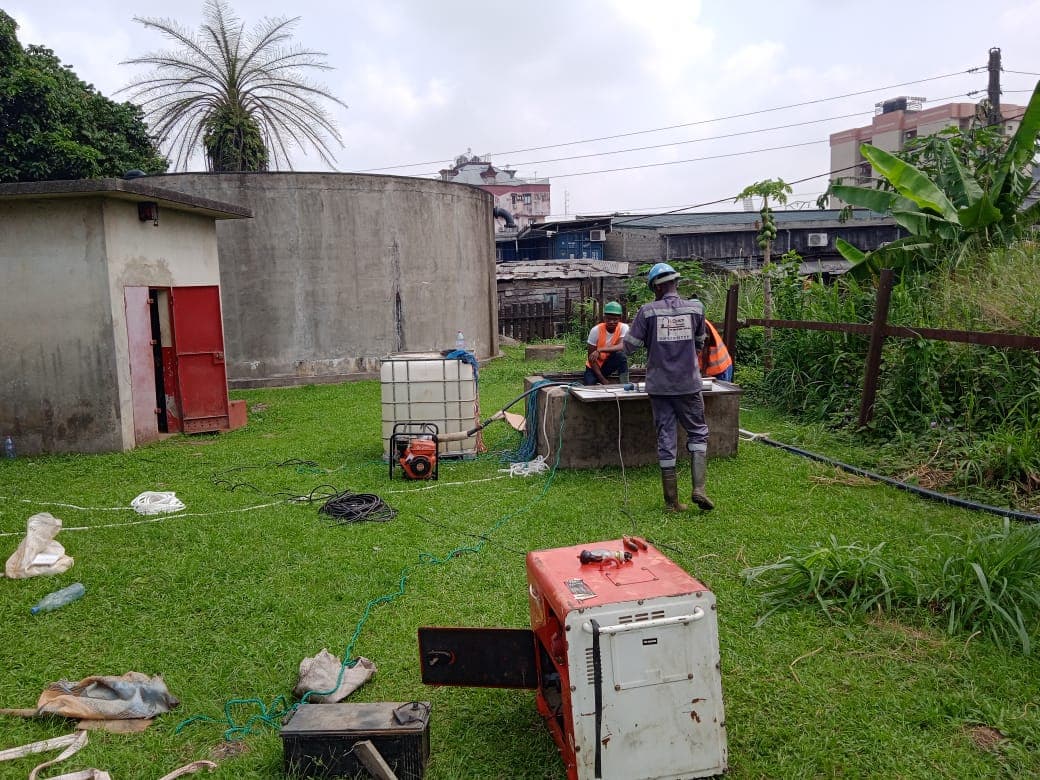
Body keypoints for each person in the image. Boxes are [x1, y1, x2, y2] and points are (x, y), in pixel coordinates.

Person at [623, 263, 714, 512]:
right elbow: (699, 344)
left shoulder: (647, 311)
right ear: (675, 283)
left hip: (660, 386)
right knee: (698, 432)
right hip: (688, 384)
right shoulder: (696, 308)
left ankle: (672, 502)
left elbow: (629, 346)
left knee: (666, 435)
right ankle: (699, 488)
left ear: (658, 287)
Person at [583, 301, 630, 385]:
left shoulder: (624, 327)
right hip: (594, 367)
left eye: (615, 319)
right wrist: (603, 380)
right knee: (589, 385)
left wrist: (599, 350)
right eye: (609, 319)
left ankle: (625, 384)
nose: (612, 322)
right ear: (604, 318)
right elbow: (591, 359)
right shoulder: (596, 330)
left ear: (620, 319)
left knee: (621, 356)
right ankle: (597, 380)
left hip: (608, 364)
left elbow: (621, 346)